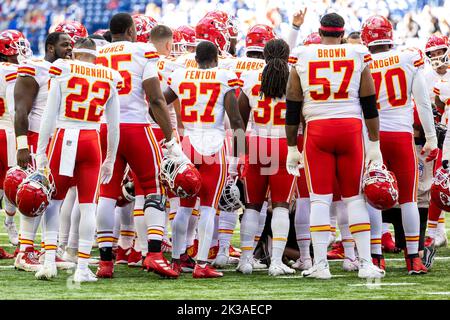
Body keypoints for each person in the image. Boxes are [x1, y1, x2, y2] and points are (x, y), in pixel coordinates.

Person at [285, 13, 385, 280]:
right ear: (341, 34)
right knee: (354, 198)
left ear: (320, 32)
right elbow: (369, 101)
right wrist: (374, 143)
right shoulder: (357, 52)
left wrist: (292, 146)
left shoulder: (303, 54)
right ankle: (365, 263)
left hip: (318, 129)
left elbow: (292, 104)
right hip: (350, 128)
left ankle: (321, 264)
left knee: (319, 199)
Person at [95, 12, 182, 279]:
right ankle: (154, 254)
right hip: (135, 126)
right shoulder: (142, 51)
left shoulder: (98, 54)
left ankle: (105, 261)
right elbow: (156, 99)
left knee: (107, 194)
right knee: (154, 188)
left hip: (105, 128)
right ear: (132, 31)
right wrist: (170, 137)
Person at [34, 37, 121, 282]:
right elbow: (113, 126)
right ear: (96, 56)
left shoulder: (63, 68)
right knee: (87, 205)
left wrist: (41, 151)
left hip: (64, 136)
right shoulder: (109, 75)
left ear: (75, 54)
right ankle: (82, 267)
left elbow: (49, 116)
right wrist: (111, 158)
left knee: (52, 201)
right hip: (91, 140)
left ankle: (49, 261)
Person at [361, 15, 437, 274]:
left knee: (369, 198)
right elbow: (423, 102)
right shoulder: (407, 57)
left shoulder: (362, 60)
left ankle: (375, 257)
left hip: (372, 137)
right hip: (402, 135)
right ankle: (413, 259)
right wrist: (431, 137)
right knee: (408, 200)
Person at [164, 41, 246, 278]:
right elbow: (237, 120)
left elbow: (157, 104)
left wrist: (171, 137)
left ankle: (177, 260)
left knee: (184, 207)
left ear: (196, 59)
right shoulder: (225, 77)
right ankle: (201, 264)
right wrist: (236, 158)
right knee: (208, 208)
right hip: (214, 144)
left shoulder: (179, 75)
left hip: (187, 143)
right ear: (217, 58)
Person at [13, 31, 73, 272]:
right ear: (50, 48)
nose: (70, 48)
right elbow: (20, 109)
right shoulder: (35, 67)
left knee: (55, 198)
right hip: (38, 139)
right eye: (64, 44)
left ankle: (49, 248)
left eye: (71, 44)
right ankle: (25, 251)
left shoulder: (70, 68)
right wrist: (22, 145)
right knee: (34, 194)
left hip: (58, 140)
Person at [237, 38, 297, 276]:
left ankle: (244, 259)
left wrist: (239, 154)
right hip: (284, 143)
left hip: (257, 142)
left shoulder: (251, 78)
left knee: (252, 206)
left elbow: (239, 121)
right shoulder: (295, 77)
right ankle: (276, 262)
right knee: (281, 205)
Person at [0, 30, 32, 256]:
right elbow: (18, 108)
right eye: (18, 46)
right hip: (9, 132)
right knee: (14, 184)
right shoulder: (13, 72)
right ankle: (13, 227)